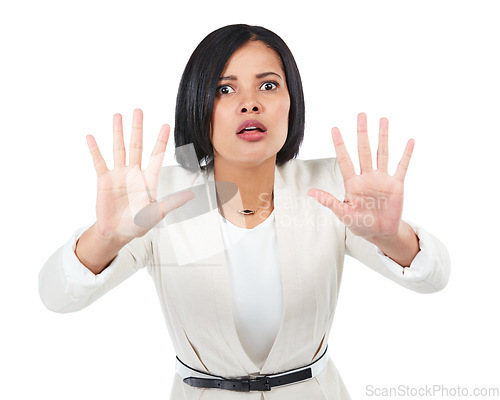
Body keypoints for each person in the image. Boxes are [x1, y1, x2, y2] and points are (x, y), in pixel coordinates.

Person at [38, 24, 451, 400]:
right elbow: (56, 298)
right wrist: (105, 237)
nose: (250, 104)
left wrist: (390, 237)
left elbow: (435, 279)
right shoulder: (157, 195)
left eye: (269, 86)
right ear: (199, 105)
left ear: (292, 102)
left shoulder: (334, 186)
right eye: (225, 89)